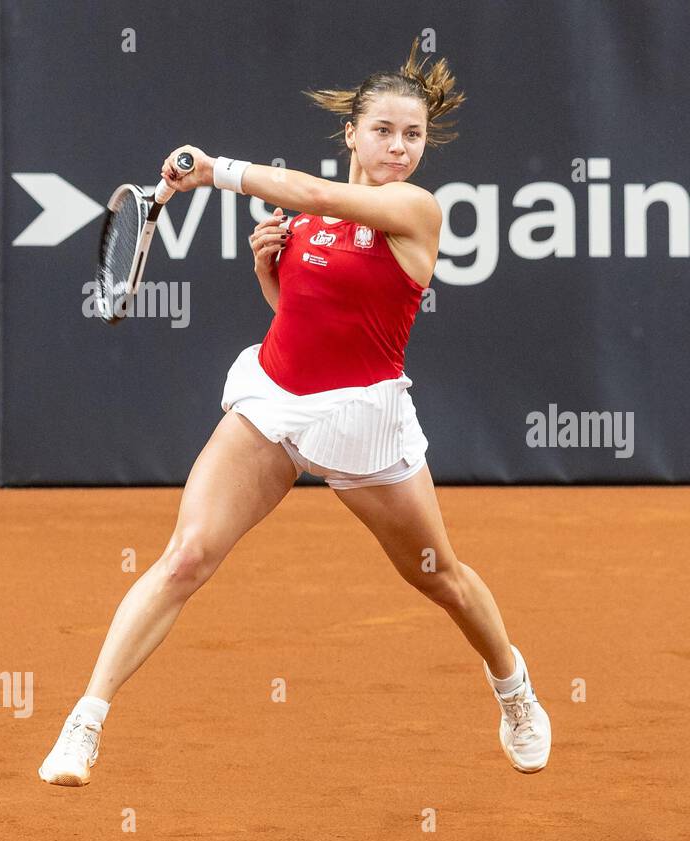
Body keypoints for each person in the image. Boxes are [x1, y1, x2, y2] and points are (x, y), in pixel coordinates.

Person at [38, 39, 551, 786]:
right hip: (273, 408)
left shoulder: (415, 209)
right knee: (185, 557)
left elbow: (315, 195)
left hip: (364, 424)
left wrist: (218, 173)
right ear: (353, 133)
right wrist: (265, 273)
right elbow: (303, 318)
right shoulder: (306, 227)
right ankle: (84, 723)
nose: (400, 147)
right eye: (383, 131)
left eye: (412, 135)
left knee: (441, 577)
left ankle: (514, 688)